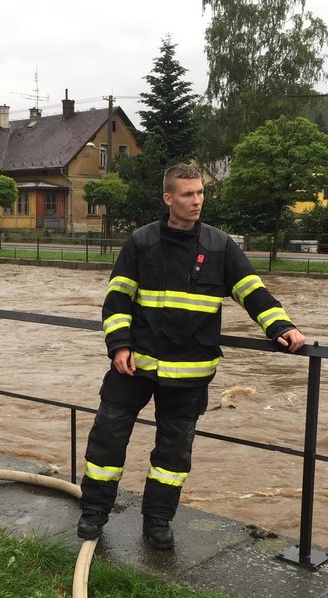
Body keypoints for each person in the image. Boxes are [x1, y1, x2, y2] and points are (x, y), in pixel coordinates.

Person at [77, 163, 307, 550]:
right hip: (133, 367)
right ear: (169, 198)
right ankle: (94, 514)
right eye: (188, 194)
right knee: (107, 441)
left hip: (190, 374)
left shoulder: (220, 246)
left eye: (200, 193)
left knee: (173, 454)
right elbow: (116, 300)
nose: (197, 201)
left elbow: (252, 291)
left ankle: (157, 522)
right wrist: (118, 345)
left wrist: (280, 326)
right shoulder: (140, 242)